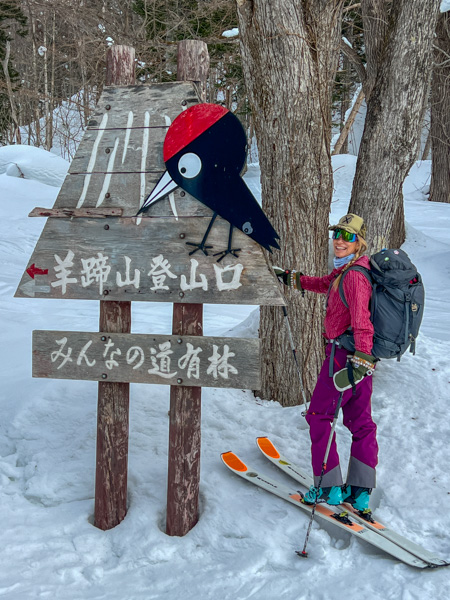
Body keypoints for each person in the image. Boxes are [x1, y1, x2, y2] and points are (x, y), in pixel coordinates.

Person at [275, 213, 377, 515]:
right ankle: (359, 492)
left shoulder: (355, 276)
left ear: (359, 242)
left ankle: (328, 487)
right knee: (361, 423)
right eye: (337, 235)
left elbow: (362, 322)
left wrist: (359, 361)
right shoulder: (348, 271)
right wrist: (293, 279)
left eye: (348, 237)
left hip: (345, 358)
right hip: (360, 359)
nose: (339, 241)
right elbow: (323, 284)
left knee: (319, 416)